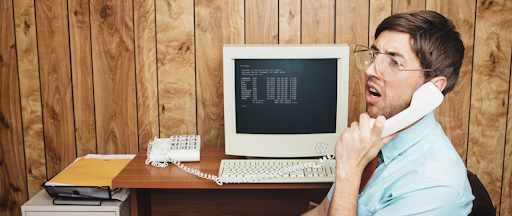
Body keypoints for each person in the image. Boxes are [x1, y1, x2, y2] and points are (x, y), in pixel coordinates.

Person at [302, 10, 474, 215]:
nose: (370, 70)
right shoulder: (370, 143)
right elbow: (320, 213)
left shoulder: (435, 187)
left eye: (394, 62)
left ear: (432, 89)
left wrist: (349, 172)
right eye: (374, 55)